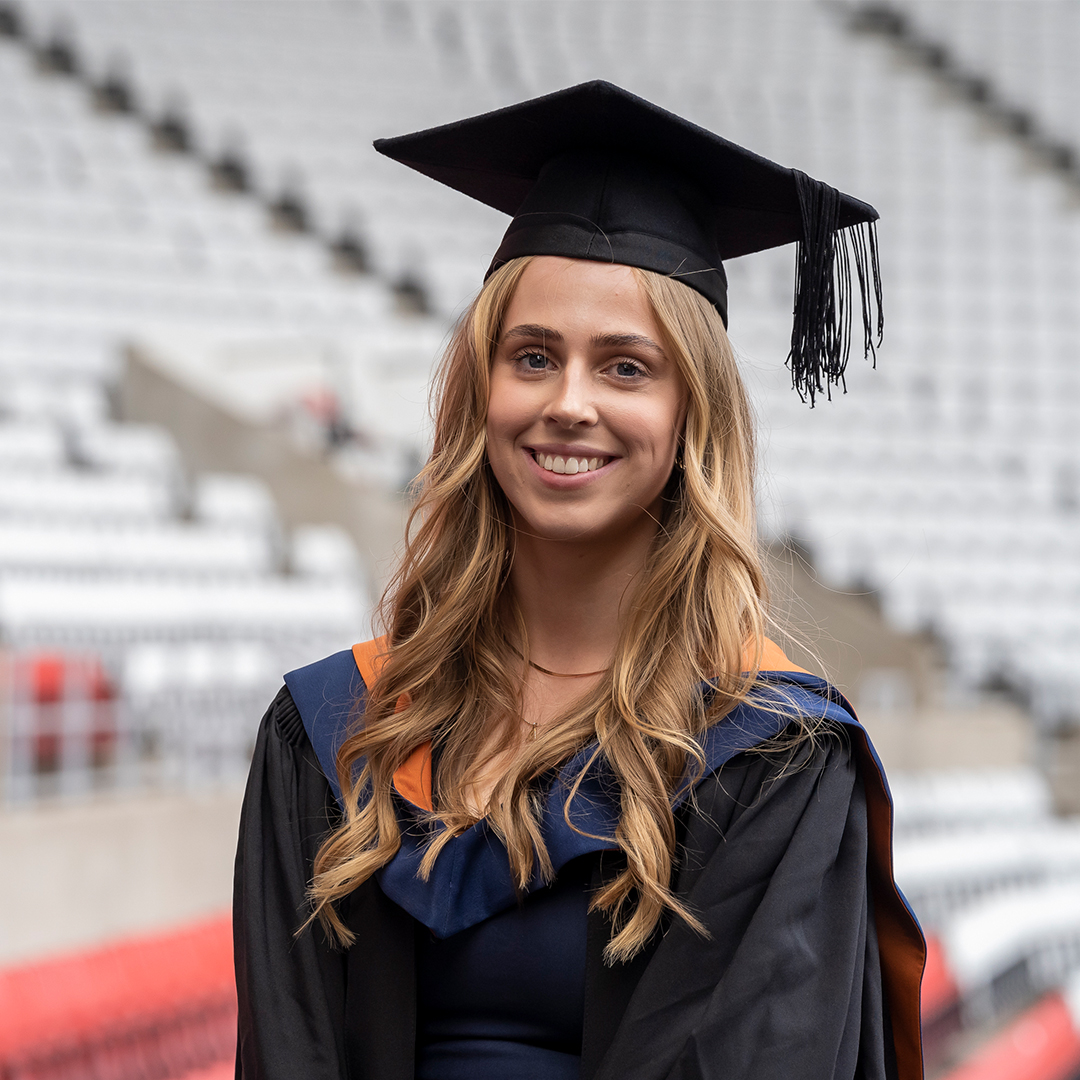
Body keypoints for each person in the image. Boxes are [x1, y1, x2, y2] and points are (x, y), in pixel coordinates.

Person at [233, 82, 924, 1080]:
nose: (568, 404)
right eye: (532, 356)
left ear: (695, 413)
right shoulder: (332, 729)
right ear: (482, 391)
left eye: (625, 367)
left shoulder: (769, 758)